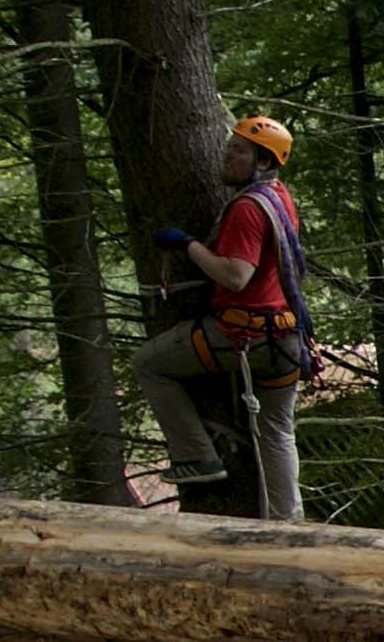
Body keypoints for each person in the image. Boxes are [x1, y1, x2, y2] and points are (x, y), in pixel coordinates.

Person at [131, 113, 312, 513]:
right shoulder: (279, 197)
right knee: (277, 433)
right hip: (284, 338)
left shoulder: (247, 208)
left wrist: (188, 245)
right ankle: (289, 522)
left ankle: (197, 456)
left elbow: (235, 276)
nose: (227, 156)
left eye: (239, 151)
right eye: (229, 147)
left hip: (243, 337)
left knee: (147, 364)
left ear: (263, 162)